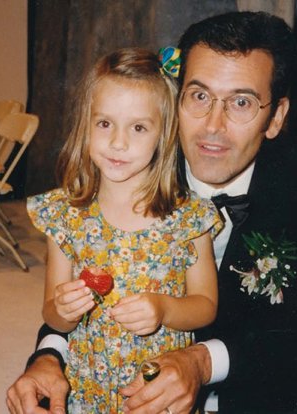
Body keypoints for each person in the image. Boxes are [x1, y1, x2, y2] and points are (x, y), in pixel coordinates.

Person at [7, 11, 297, 413]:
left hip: (243, 390)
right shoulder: (135, 163)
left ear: (275, 116)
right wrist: (48, 357)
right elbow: (83, 269)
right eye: (199, 96)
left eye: (241, 102)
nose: (213, 126)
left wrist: (199, 363)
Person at [19, 47, 222, 413]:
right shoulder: (66, 216)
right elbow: (51, 313)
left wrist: (164, 308)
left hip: (155, 392)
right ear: (86, 125)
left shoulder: (188, 219)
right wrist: (65, 310)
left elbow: (205, 306)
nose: (117, 142)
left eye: (139, 127)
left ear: (164, 135)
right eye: (105, 123)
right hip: (86, 386)